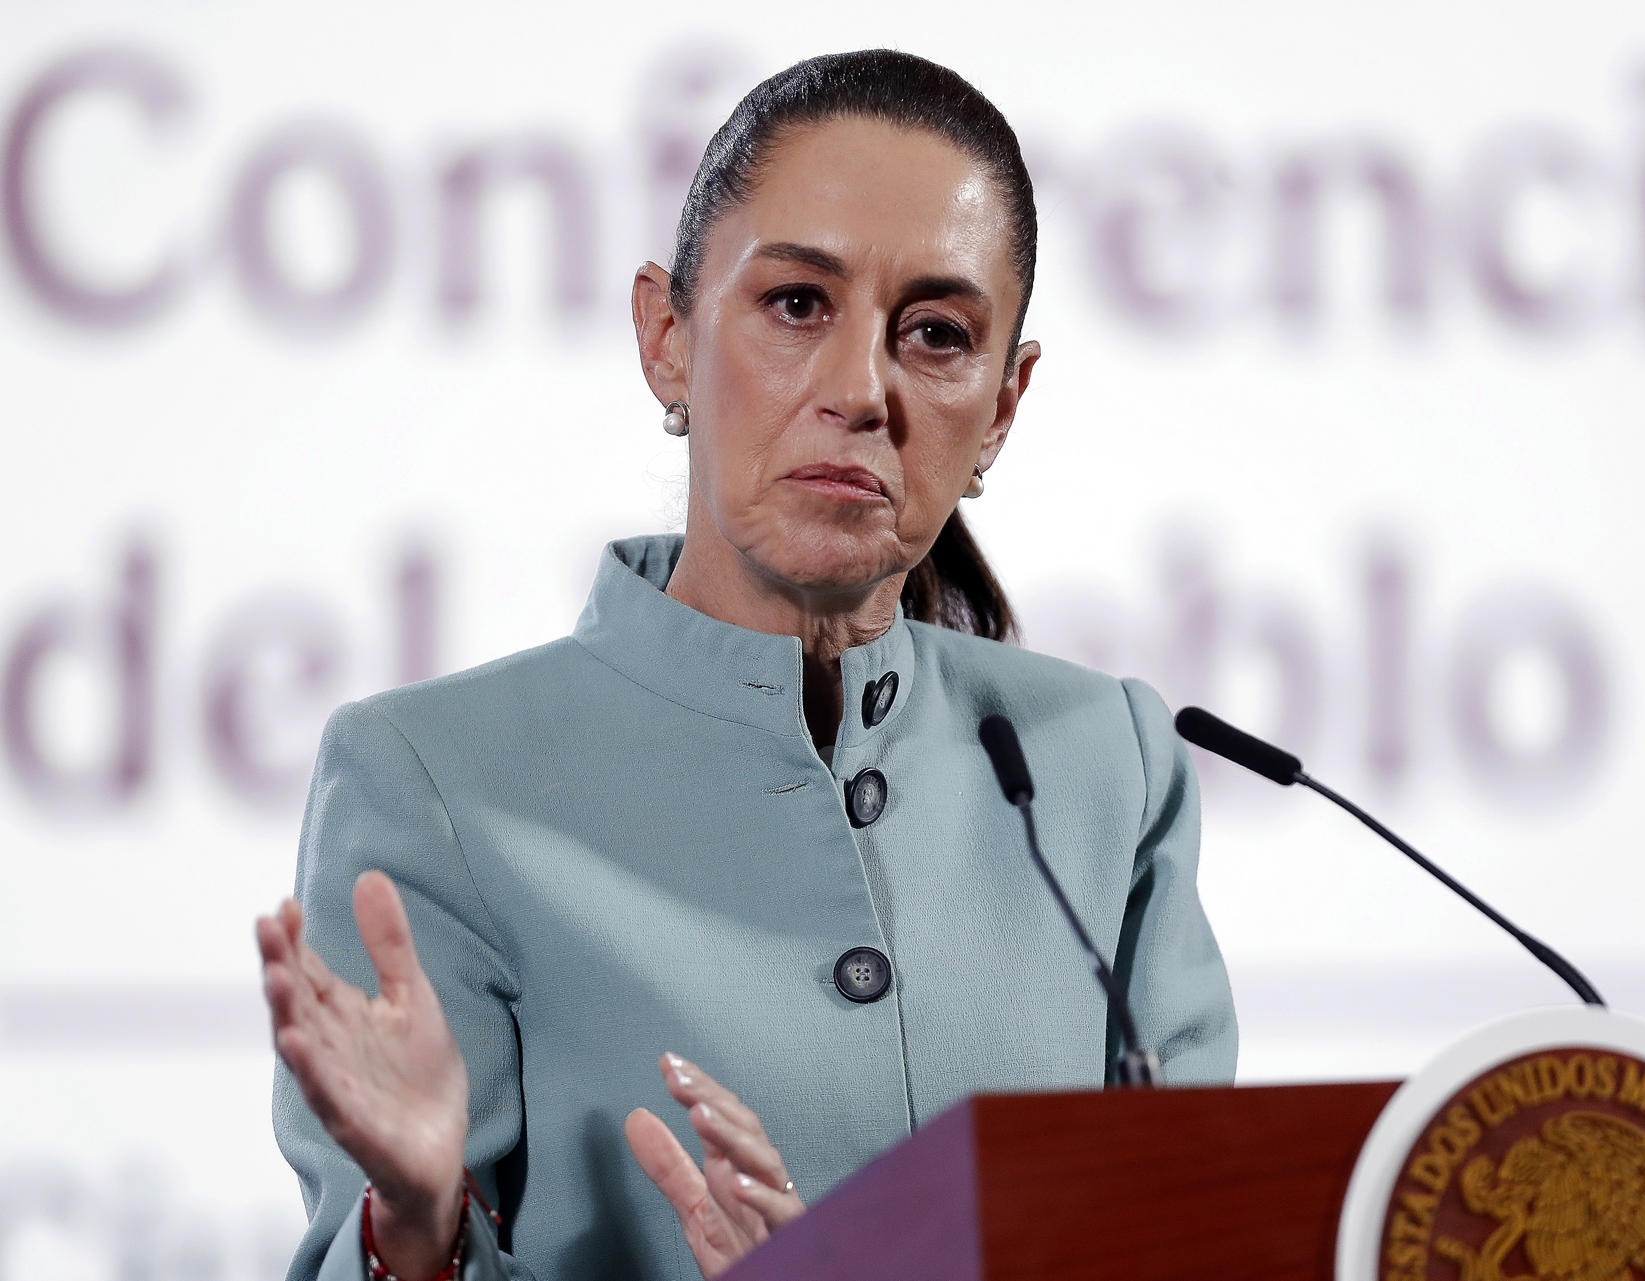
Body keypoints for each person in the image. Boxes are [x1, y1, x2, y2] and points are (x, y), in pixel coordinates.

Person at [256, 48, 1237, 1281]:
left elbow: (1202, 1237)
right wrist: (412, 1229)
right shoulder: (437, 783)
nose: (858, 390)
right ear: (666, 338)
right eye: (795, 306)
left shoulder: (1106, 767)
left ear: (1002, 407)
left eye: (936, 334)